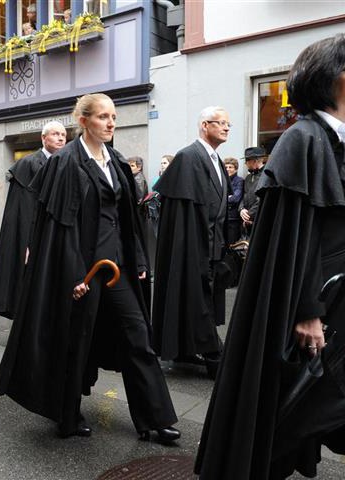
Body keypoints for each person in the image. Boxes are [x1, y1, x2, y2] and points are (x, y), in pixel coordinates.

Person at [195, 34, 345, 480]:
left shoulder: (332, 140)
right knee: (291, 410)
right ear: (338, 79)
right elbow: (296, 240)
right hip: (316, 306)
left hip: (337, 304)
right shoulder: (304, 140)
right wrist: (307, 312)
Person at [0, 93, 180, 443]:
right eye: (102, 117)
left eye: (113, 116)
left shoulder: (117, 161)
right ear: (83, 122)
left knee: (138, 337)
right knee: (75, 342)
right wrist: (74, 275)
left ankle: (154, 418)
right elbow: (61, 226)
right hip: (84, 270)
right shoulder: (66, 162)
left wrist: (138, 258)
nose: (110, 123)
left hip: (118, 268)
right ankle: (67, 414)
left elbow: (127, 220)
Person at [153, 106, 232, 378]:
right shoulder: (188, 157)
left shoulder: (216, 160)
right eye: (220, 123)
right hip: (194, 247)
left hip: (212, 247)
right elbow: (183, 215)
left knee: (204, 302)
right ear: (204, 125)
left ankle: (193, 348)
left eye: (228, 124)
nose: (226, 128)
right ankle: (214, 355)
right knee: (198, 303)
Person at [0, 121, 67, 319]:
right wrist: (27, 244)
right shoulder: (28, 164)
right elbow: (23, 212)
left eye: (63, 135)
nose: (60, 138)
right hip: (36, 236)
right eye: (55, 134)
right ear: (43, 138)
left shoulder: (68, 163)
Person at [239, 146, 266, 239]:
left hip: (260, 221)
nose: (245, 163)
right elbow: (244, 195)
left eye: (247, 161)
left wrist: (248, 215)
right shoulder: (248, 178)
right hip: (246, 223)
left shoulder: (267, 176)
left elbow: (263, 199)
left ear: (254, 161)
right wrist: (241, 209)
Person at [224, 157, 244, 244]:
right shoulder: (222, 181)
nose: (227, 169)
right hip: (223, 218)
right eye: (226, 167)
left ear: (235, 169)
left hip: (233, 219)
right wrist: (228, 197)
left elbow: (235, 198)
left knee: (232, 244)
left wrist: (222, 198)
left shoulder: (239, 181)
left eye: (230, 167)